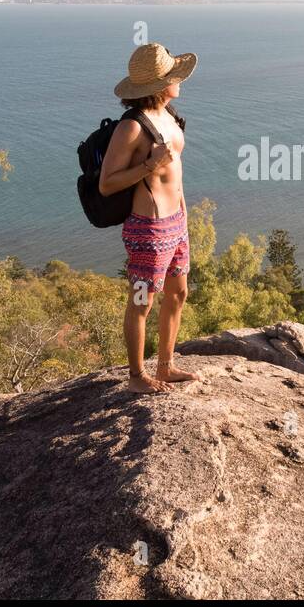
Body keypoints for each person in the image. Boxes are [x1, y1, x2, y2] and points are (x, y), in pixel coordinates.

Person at [98, 43, 199, 393]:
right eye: (174, 77)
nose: (180, 82)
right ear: (158, 85)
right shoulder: (132, 128)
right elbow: (107, 183)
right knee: (142, 300)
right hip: (149, 227)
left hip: (177, 221)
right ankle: (137, 377)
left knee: (178, 292)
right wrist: (148, 165)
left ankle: (167, 365)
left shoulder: (168, 115)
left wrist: (184, 207)